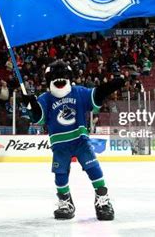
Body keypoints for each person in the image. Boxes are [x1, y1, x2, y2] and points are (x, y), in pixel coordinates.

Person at [23, 60, 124, 221]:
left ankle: (102, 199)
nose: (59, 80)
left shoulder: (78, 92)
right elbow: (38, 118)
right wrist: (31, 105)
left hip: (80, 140)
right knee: (60, 174)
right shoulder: (45, 98)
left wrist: (109, 87)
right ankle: (65, 200)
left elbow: (96, 95)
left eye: (63, 76)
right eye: (55, 77)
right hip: (60, 145)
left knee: (93, 168)